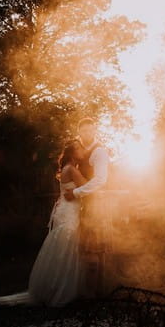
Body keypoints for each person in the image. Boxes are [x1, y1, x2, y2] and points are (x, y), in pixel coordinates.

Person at [0, 140, 87, 307]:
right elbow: (88, 186)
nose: (83, 151)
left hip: (65, 211)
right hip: (69, 214)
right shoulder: (72, 170)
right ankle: (60, 290)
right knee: (66, 250)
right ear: (73, 153)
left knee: (62, 249)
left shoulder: (68, 169)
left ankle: (52, 286)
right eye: (80, 148)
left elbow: (71, 192)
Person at [64, 118, 112, 297]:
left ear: (95, 131)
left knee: (94, 250)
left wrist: (76, 193)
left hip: (95, 205)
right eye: (84, 131)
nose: (87, 134)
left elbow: (100, 180)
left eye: (90, 130)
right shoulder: (80, 151)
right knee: (89, 250)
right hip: (84, 204)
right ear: (79, 132)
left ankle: (94, 295)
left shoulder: (99, 152)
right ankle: (95, 292)